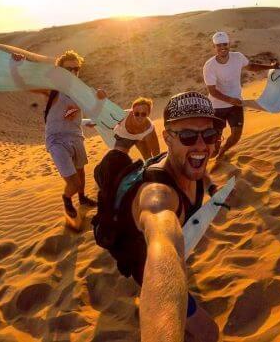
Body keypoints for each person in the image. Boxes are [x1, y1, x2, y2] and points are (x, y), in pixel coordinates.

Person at [93, 92, 224, 342]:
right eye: (187, 136)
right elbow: (162, 245)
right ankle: (122, 140)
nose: (200, 145)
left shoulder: (185, 162)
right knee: (208, 333)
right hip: (143, 263)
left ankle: (122, 145)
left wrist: (211, 187)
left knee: (119, 154)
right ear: (167, 138)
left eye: (209, 135)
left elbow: (201, 171)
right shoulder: (158, 197)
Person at [12, 50, 105, 220]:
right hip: (57, 140)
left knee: (81, 172)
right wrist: (17, 65)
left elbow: (95, 111)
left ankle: (82, 199)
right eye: (68, 69)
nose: (73, 73)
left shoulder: (81, 92)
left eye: (76, 69)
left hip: (76, 136)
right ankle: (67, 199)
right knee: (73, 183)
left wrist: (100, 100)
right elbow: (22, 83)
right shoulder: (53, 89)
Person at [203, 31, 278, 159]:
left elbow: (252, 67)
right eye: (219, 45)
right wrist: (230, 99)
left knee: (236, 136)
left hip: (235, 105)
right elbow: (212, 91)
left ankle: (222, 152)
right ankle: (215, 151)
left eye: (225, 44)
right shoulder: (209, 66)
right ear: (214, 47)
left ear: (229, 44)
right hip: (217, 107)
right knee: (214, 146)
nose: (222, 47)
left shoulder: (238, 57)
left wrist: (271, 67)